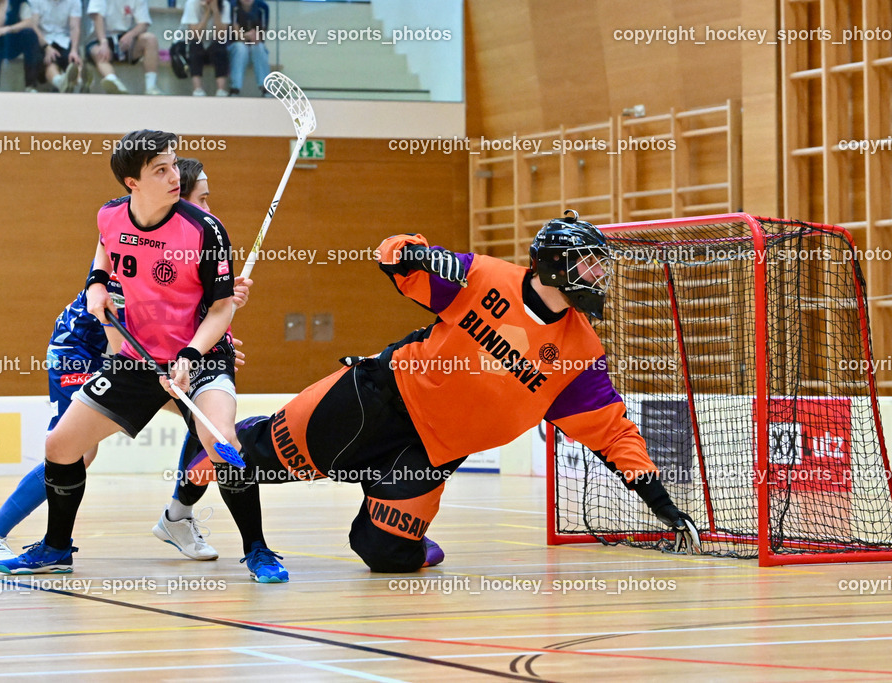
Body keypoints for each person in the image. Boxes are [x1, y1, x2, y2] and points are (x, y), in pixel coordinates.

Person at [208, 211, 701, 572]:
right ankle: (240, 440)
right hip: (379, 398)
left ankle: (409, 538)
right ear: (555, 264)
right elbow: (392, 259)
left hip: (431, 454)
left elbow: (612, 434)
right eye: (590, 264)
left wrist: (663, 505)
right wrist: (414, 251)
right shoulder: (483, 276)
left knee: (386, 556)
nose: (600, 276)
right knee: (243, 461)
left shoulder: (581, 354)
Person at [0, 157, 259, 571]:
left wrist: (217, 326)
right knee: (77, 451)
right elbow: (121, 337)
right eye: (203, 200)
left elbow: (186, 312)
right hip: (86, 349)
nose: (208, 210)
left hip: (149, 354)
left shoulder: (193, 237)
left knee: (207, 423)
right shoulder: (136, 236)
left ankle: (178, 516)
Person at [85, 0, 162, 95]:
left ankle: (151, 87)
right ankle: (113, 81)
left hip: (124, 38)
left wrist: (131, 34)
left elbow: (144, 23)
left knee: (150, 39)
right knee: (98, 52)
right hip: (99, 37)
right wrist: (103, 42)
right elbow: (97, 17)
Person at [0, 0, 41, 92]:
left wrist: (8, 29)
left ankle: (30, 86)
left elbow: (29, 23)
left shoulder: (20, 2)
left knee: (30, 34)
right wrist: (3, 4)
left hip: (10, 39)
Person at [180, 0, 229, 97]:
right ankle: (197, 89)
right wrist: (207, 13)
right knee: (195, 44)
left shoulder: (224, 4)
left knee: (220, 46)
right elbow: (195, 35)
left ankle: (221, 90)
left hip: (213, 45)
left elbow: (221, 35)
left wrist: (215, 11)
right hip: (194, 44)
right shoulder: (191, 3)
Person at [29, 0, 80, 92]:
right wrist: (47, 47)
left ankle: (79, 83)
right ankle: (60, 82)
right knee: (49, 61)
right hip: (43, 39)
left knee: (75, 61)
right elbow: (34, 26)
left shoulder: (75, 1)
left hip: (64, 39)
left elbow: (75, 27)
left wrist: (74, 50)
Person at [226, 0, 266, 97]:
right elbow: (235, 36)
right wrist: (246, 36)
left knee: (259, 47)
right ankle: (235, 88)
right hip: (234, 46)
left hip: (253, 45)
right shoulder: (232, 7)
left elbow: (262, 36)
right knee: (241, 48)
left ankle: (265, 87)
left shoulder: (262, 8)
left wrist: (256, 37)